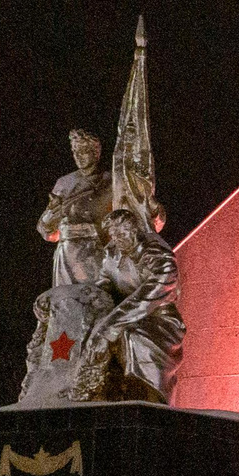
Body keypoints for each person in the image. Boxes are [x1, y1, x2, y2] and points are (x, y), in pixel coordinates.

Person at [84, 204, 185, 403]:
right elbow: (104, 281)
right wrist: (95, 299)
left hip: (160, 320)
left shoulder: (159, 256)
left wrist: (109, 326)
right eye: (114, 236)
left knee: (134, 337)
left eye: (122, 234)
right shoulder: (111, 253)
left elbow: (146, 298)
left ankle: (150, 401)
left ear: (135, 230)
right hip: (119, 317)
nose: (118, 240)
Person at [35, 128, 108, 288]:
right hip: (67, 256)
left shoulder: (110, 181)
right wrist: (51, 216)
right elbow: (46, 231)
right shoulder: (64, 183)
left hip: (97, 254)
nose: (78, 156)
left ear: (95, 153)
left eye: (83, 151)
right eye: (75, 151)